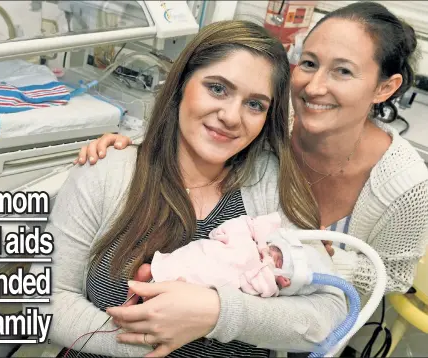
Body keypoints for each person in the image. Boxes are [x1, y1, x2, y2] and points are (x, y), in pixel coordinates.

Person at [28, 20, 347, 358]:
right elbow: (46, 304)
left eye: (255, 104)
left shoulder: (271, 187)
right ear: (181, 84)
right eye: (218, 88)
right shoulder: (107, 171)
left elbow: (328, 315)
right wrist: (156, 340)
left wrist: (215, 313)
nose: (231, 116)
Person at [76, 2, 428, 297]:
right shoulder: (269, 117)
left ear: (385, 88)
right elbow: (199, 132)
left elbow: (394, 277)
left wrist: (314, 258)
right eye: (308, 63)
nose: (314, 86)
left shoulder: (405, 184)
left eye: (343, 72)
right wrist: (132, 149)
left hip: (314, 308)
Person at [150, 212, 333, 298]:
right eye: (276, 248)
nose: (273, 252)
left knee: (186, 290)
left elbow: (252, 287)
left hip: (209, 280)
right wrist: (259, 242)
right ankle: (155, 273)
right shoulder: (252, 241)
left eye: (280, 259)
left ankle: (154, 287)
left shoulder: (266, 280)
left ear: (285, 281)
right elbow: (232, 228)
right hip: (206, 253)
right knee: (188, 259)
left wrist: (268, 273)